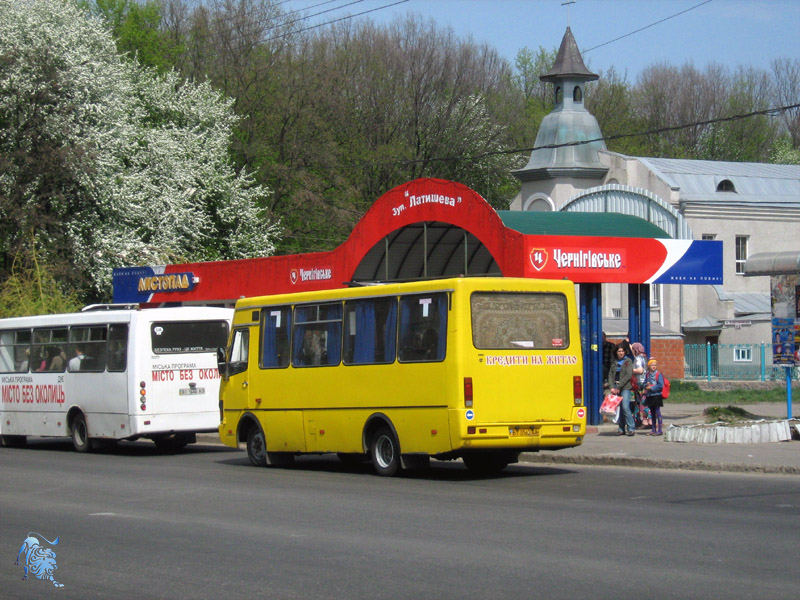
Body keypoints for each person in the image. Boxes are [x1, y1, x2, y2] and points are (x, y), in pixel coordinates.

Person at [607, 344, 635, 436]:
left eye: (622, 351)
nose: (621, 353)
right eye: (619, 351)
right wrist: (611, 387)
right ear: (616, 352)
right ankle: (621, 428)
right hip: (615, 387)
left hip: (625, 388)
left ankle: (631, 428)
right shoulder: (614, 362)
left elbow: (628, 375)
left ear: (625, 352)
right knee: (620, 409)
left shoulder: (628, 361)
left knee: (625, 407)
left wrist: (619, 387)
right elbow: (610, 375)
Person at [644, 358, 665, 436]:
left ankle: (659, 429)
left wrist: (652, 388)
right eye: (652, 365)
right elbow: (644, 383)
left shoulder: (658, 374)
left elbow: (660, 385)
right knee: (652, 413)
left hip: (656, 395)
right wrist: (646, 385)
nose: (654, 366)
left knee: (657, 412)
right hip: (649, 396)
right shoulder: (647, 374)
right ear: (649, 366)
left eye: (655, 365)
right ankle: (653, 429)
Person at [631, 342, 650, 428]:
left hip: (639, 383)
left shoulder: (638, 358)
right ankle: (648, 419)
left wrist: (630, 370)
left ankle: (641, 420)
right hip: (646, 382)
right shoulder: (645, 357)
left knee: (639, 403)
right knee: (645, 402)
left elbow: (640, 370)